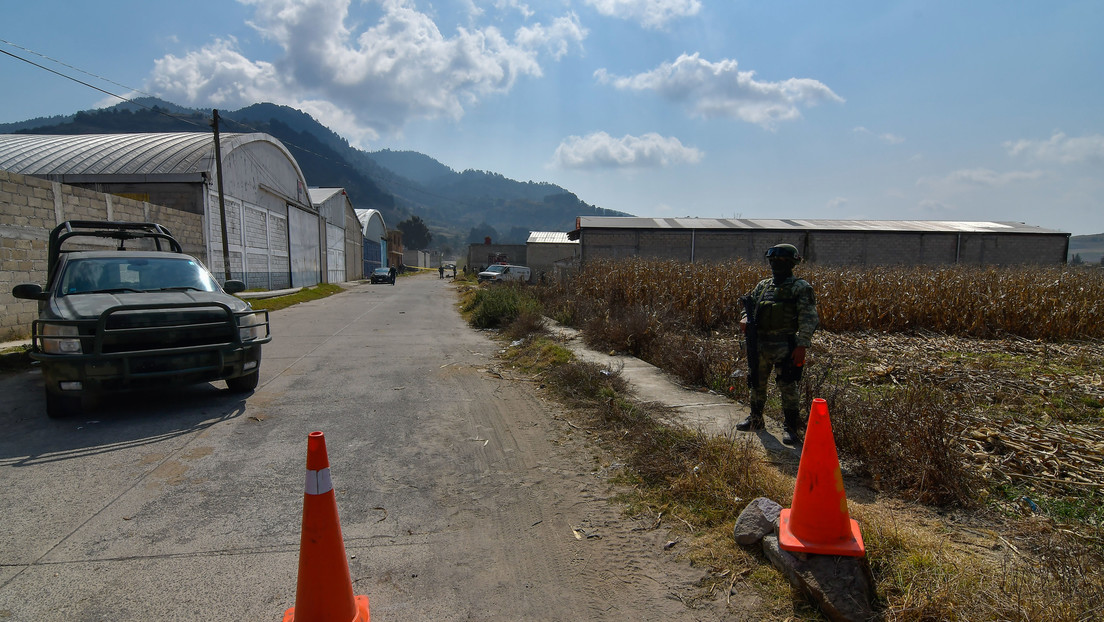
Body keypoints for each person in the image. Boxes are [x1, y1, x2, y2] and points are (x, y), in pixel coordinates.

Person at [737, 243, 819, 445]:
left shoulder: (800, 287)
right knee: (756, 382)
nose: (775, 264)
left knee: (788, 386)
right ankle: (756, 419)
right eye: (772, 261)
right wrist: (745, 317)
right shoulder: (764, 286)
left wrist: (802, 345)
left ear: (791, 263)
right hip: (761, 344)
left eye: (781, 261)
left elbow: (808, 318)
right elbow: (750, 307)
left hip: (786, 345)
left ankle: (791, 428)